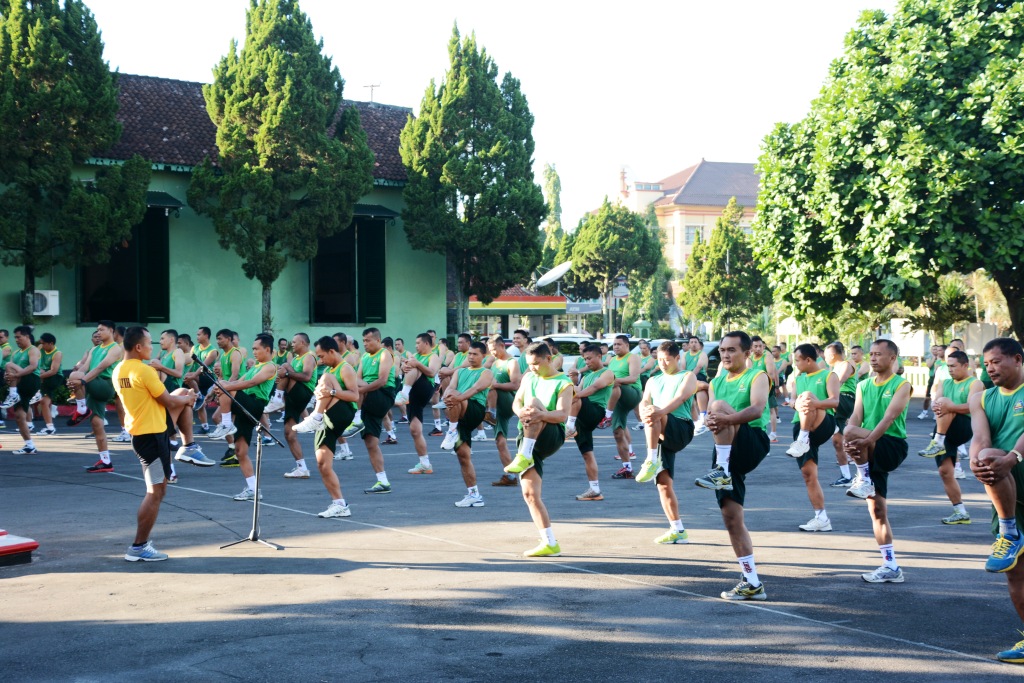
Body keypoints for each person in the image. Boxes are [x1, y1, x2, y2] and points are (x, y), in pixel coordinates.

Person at [114, 327, 208, 561]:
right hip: (150, 437)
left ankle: (189, 447)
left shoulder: (119, 370)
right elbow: (166, 399)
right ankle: (138, 547)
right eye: (149, 343)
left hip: (150, 428)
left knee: (183, 391)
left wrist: (184, 398)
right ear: (138, 347)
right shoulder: (143, 371)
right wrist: (187, 399)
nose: (151, 347)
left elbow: (164, 399)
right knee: (155, 492)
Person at [694, 331, 771, 601]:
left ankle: (723, 471)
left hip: (752, 440)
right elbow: (715, 420)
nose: (725, 355)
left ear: (747, 353)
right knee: (731, 518)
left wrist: (724, 419)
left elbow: (757, 410)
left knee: (717, 406)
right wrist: (711, 422)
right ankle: (751, 581)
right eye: (723, 350)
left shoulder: (757, 376)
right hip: (725, 447)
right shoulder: (717, 380)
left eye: (732, 350)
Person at [968, 337, 1024, 663]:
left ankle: (1009, 532)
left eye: (996, 362)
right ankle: (1009, 532)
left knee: (995, 457)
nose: (990, 368)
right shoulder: (982, 398)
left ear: (1017, 359)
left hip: (1016, 463)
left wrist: (1014, 456)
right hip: (1006, 487)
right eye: (986, 363)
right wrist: (976, 461)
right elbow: (980, 437)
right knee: (1015, 572)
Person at [843, 339, 912, 584]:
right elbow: (856, 416)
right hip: (869, 445)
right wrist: (849, 437)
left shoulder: (902, 385)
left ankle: (862, 477)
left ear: (892, 358)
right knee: (877, 510)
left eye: (878, 354)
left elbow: (889, 418)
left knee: (851, 433)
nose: (872, 358)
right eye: (870, 354)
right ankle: (891, 566)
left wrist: (863, 439)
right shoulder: (863, 385)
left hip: (891, 444)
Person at [504, 341, 574, 557]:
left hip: (551, 434)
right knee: (530, 494)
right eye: (529, 364)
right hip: (527, 433)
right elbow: (516, 403)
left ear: (549, 359)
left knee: (534, 402)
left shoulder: (564, 383)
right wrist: (521, 412)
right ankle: (549, 543)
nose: (532, 368)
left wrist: (537, 413)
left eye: (536, 364)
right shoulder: (528, 377)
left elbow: (562, 415)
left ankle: (524, 455)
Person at [634, 341, 698, 544]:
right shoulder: (654, 380)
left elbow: (681, 398)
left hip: (680, 427)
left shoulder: (687, 376)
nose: (662, 364)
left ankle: (650, 459)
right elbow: (644, 400)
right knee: (663, 484)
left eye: (667, 360)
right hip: (659, 428)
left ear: (677, 358)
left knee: (654, 411)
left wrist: (657, 411)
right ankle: (677, 530)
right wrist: (645, 408)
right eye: (659, 360)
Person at [292, 336, 361, 518]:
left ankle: (315, 415)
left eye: (322, 357)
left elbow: (354, 396)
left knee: (327, 377)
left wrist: (331, 391)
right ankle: (340, 504)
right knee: (322, 464)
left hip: (343, 413)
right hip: (327, 419)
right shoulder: (330, 369)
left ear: (332, 351)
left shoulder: (344, 368)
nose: (320, 361)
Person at [211, 334, 278, 501]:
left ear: (267, 349)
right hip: (244, 407)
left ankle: (226, 424)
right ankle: (253, 489)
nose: (253, 352)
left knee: (227, 388)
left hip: (255, 405)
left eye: (256, 349)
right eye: (253, 349)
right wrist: (220, 385)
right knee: (241, 452)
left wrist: (225, 386)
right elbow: (237, 382)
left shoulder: (270, 367)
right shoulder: (255, 366)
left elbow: (250, 383)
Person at [918, 349, 981, 524]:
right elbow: (936, 403)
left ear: (965, 365)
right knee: (945, 472)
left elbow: (971, 407)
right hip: (944, 428)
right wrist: (941, 406)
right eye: (948, 366)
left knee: (945, 403)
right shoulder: (945, 382)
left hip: (963, 426)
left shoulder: (974, 383)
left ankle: (937, 441)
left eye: (954, 366)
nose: (950, 369)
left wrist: (948, 406)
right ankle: (960, 512)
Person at [785, 344, 839, 532]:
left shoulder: (828, 375)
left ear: (808, 360)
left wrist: (814, 403)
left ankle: (803, 439)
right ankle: (821, 519)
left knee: (807, 396)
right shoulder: (797, 379)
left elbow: (835, 401)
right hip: (800, 422)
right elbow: (792, 400)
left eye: (798, 360)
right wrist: (795, 404)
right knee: (808, 475)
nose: (795, 364)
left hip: (823, 422)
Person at [66, 320, 123, 473]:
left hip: (105, 385)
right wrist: (76, 382)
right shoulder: (94, 350)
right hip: (93, 385)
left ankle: (81, 408)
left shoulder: (115, 348)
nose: (98, 333)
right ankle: (106, 461)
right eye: (97, 330)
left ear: (111, 331)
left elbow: (101, 367)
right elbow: (85, 367)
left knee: (75, 375)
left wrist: (81, 380)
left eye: (101, 330)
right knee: (97, 424)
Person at [441, 341, 493, 507]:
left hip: (474, 409)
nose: (471, 357)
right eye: (469, 354)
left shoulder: (486, 373)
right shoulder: (460, 371)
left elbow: (476, 389)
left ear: (483, 356)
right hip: (457, 411)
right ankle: (474, 495)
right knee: (463, 456)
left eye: (475, 354)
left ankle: (451, 431)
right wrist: (448, 396)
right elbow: (450, 388)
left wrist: (457, 397)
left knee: (455, 394)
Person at [263, 333, 317, 479]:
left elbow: (306, 376)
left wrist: (286, 373)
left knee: (285, 367)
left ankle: (278, 398)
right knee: (289, 433)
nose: (291, 344)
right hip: (293, 393)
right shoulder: (296, 359)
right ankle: (302, 468)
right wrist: (281, 377)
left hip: (303, 391)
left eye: (294, 342)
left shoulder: (309, 357)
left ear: (304, 343)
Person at [565, 343, 612, 501]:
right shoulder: (585, 376)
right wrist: (571, 384)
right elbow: (577, 391)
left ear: (599, 356)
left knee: (577, 398)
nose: (587, 362)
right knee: (587, 453)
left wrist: (576, 394)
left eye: (589, 358)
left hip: (595, 411)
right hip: (580, 416)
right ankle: (595, 490)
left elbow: (595, 388)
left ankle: (569, 427)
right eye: (585, 359)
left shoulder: (607, 373)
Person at [354, 328, 397, 495]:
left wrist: (362, 388)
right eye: (363, 340)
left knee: (355, 389)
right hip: (367, 396)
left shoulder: (385, 354)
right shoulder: (364, 357)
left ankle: (355, 419)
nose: (365, 343)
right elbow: (356, 377)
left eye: (368, 340)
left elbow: (382, 380)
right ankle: (383, 481)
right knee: (371, 443)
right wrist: (362, 387)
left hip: (383, 394)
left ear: (378, 341)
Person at [400, 333, 443, 476]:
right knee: (415, 431)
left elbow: (431, 373)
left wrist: (415, 364)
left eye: (418, 343)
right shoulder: (414, 356)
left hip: (425, 387)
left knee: (414, 366)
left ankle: (403, 393)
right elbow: (405, 369)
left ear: (426, 343)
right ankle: (425, 464)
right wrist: (403, 366)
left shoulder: (433, 356)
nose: (416, 345)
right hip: (413, 393)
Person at [3, 326, 42, 454]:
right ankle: (29, 446)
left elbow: (33, 366)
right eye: (15, 337)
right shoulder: (16, 353)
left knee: (8, 364)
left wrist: (15, 375)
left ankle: (14, 394)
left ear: (27, 337)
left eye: (19, 337)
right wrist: (8, 376)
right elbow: (13, 371)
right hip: (20, 383)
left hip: (31, 379)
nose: (16, 340)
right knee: (19, 416)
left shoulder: (33, 350)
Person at [823, 342, 857, 488]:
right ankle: (846, 476)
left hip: (845, 398)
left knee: (816, 406)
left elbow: (839, 382)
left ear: (832, 354)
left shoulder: (847, 363)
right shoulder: (834, 367)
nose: (824, 357)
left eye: (825, 354)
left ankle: (805, 437)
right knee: (837, 442)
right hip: (838, 401)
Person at [608, 335, 642, 479]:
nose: (616, 347)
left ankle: (606, 415)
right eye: (614, 344)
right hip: (616, 397)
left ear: (627, 345)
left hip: (631, 392)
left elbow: (633, 378)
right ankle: (627, 468)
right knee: (617, 433)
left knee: (613, 385)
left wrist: (614, 381)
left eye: (619, 344)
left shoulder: (632, 357)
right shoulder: (612, 360)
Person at [210, 329, 244, 465]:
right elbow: (222, 378)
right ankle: (233, 449)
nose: (218, 341)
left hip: (237, 391)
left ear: (229, 339)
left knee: (221, 419)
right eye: (217, 339)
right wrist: (212, 393)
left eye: (220, 339)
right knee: (216, 418)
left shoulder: (235, 353)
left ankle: (235, 451)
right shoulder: (223, 356)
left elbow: (235, 375)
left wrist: (224, 391)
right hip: (228, 390)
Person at [184, 326, 219, 434]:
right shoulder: (195, 348)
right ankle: (205, 427)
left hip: (207, 378)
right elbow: (192, 364)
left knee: (198, 397)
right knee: (200, 404)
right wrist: (187, 374)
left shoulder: (213, 351)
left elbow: (203, 366)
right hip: (195, 378)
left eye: (199, 334)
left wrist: (192, 375)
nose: (197, 336)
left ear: (206, 336)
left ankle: (199, 395)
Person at [747, 336, 778, 443]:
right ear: (751, 347)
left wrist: (771, 385)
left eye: (760, 346)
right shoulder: (750, 357)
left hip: (766, 386)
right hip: (754, 387)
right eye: (756, 346)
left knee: (770, 410)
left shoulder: (767, 355)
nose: (758, 348)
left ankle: (773, 433)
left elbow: (771, 374)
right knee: (754, 409)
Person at [684, 336, 711, 436]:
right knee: (691, 401)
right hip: (687, 376)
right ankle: (696, 422)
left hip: (698, 376)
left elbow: (699, 366)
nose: (694, 344)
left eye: (696, 342)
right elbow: (682, 367)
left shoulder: (702, 354)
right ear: (689, 344)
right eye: (692, 342)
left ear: (699, 344)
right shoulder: (685, 355)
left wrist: (690, 377)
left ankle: (703, 417)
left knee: (700, 391)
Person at [36, 333, 62, 436]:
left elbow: (53, 371)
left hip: (54, 378)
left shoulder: (57, 353)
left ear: (51, 343)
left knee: (43, 401)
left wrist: (37, 377)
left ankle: (36, 392)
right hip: (43, 374)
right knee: (43, 403)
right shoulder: (41, 348)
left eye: (43, 343)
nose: (42, 345)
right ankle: (50, 427)